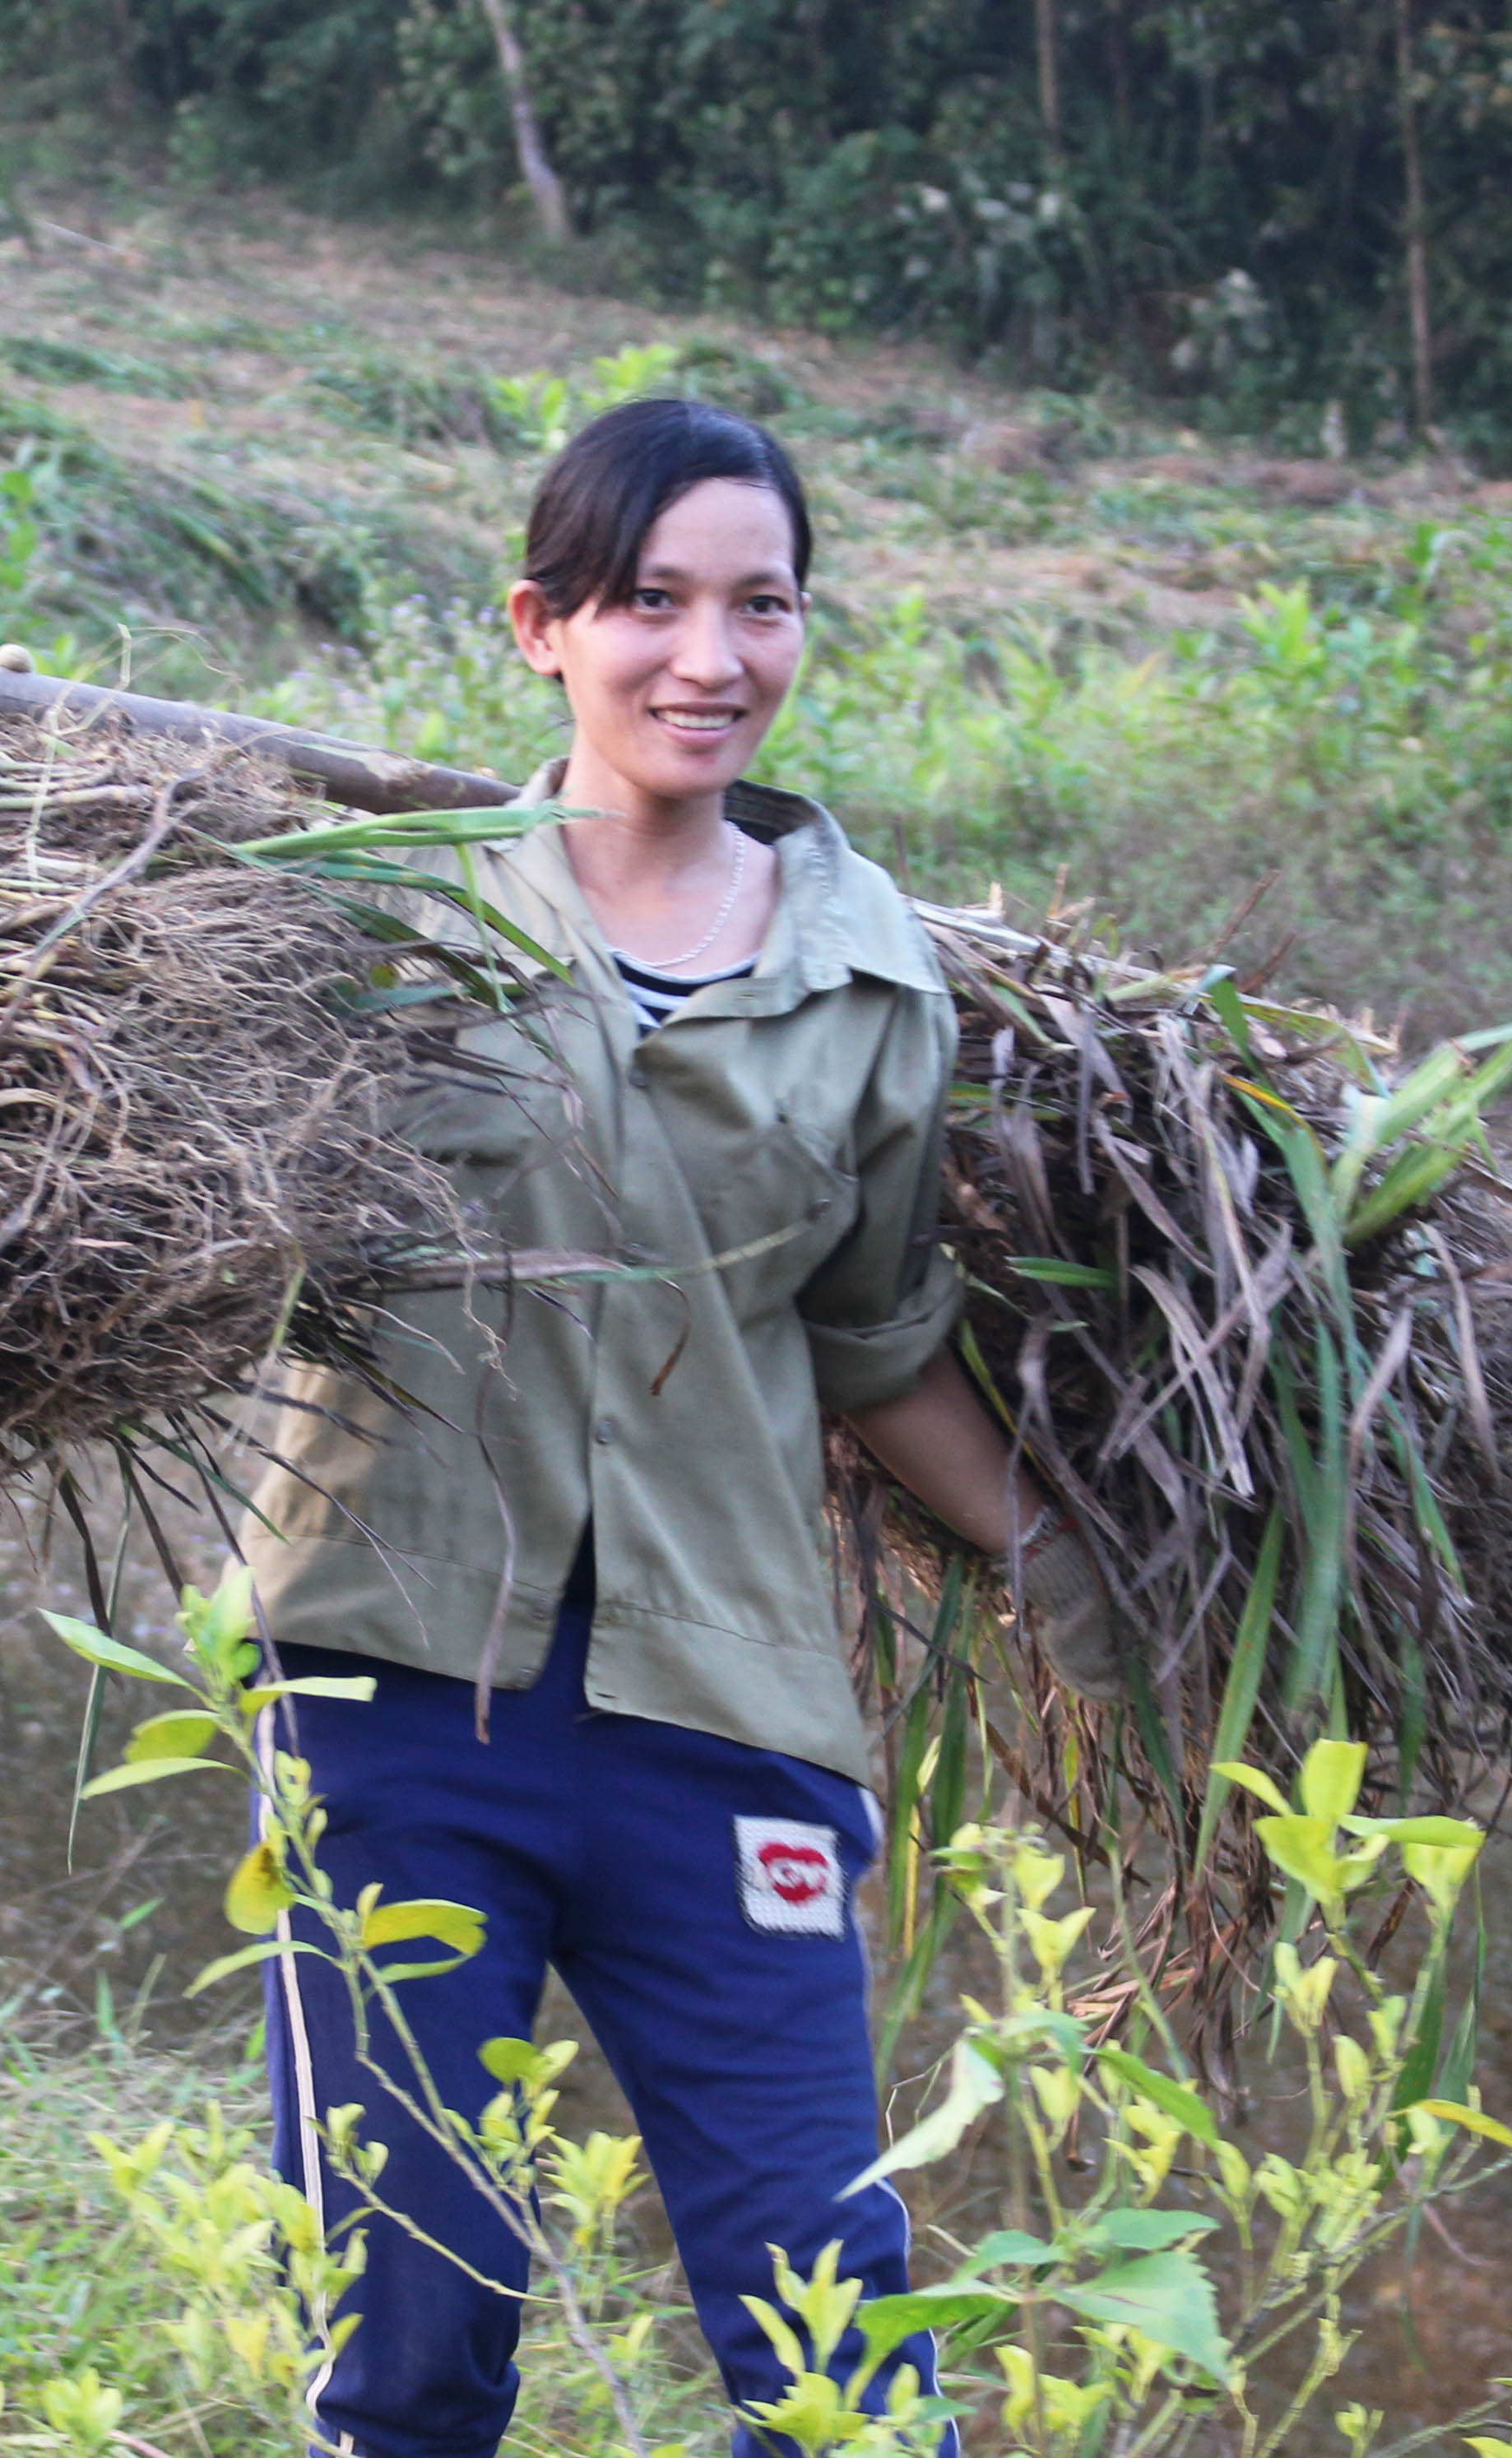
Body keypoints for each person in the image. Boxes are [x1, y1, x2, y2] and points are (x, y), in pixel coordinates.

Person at [233, 397, 1129, 2458]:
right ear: (540, 623)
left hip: (720, 1716)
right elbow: (190, 1226)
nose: (706, 657)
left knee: (841, 2375)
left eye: (759, 604)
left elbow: (872, 1335)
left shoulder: (873, 982)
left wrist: (1057, 1562)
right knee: (408, 2329)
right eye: (649, 602)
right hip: (391, 1687)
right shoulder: (380, 921)